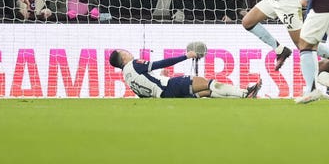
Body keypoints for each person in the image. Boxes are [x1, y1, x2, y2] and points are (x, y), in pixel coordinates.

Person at [108, 49, 262, 98]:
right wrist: (185, 56)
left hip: (164, 96)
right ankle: (244, 92)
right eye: (124, 52)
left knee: (206, 91)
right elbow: (161, 63)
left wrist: (161, 77)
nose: (128, 52)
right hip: (170, 87)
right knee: (207, 82)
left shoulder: (126, 77)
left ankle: (243, 97)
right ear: (123, 57)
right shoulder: (134, 64)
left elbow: (144, 93)